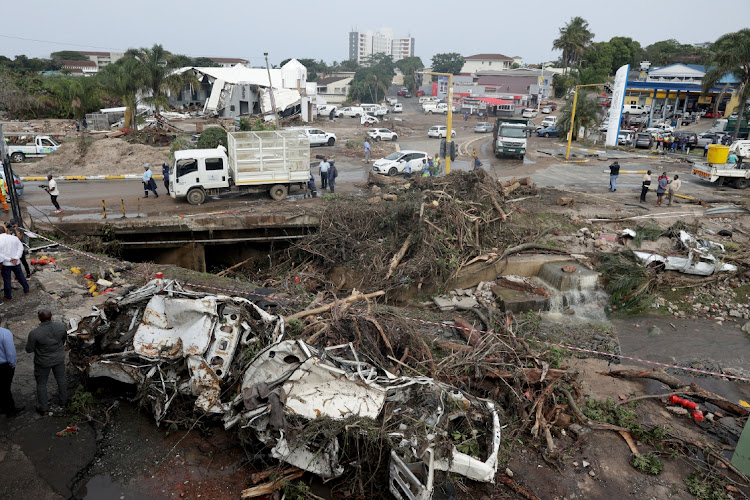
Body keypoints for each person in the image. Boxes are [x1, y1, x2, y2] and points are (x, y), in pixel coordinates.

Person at [26, 309, 68, 415]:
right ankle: (64, 402)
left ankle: (44, 408)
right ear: (51, 316)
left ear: (39, 318)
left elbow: (29, 349)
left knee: (41, 384)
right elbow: (63, 340)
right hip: (58, 358)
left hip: (42, 361)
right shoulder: (61, 326)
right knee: (61, 380)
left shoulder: (34, 333)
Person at [0, 315, 23, 417]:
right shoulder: (5, 333)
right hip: (3, 366)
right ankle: (10, 410)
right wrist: (12, 363)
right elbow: (10, 352)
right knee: (5, 388)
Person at [0, 224, 29, 301]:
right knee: (21, 276)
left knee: (7, 279)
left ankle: (8, 296)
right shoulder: (14, 238)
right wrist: (16, 257)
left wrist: (9, 259)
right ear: (5, 230)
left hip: (6, 263)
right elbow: (20, 248)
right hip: (16, 262)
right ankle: (26, 290)